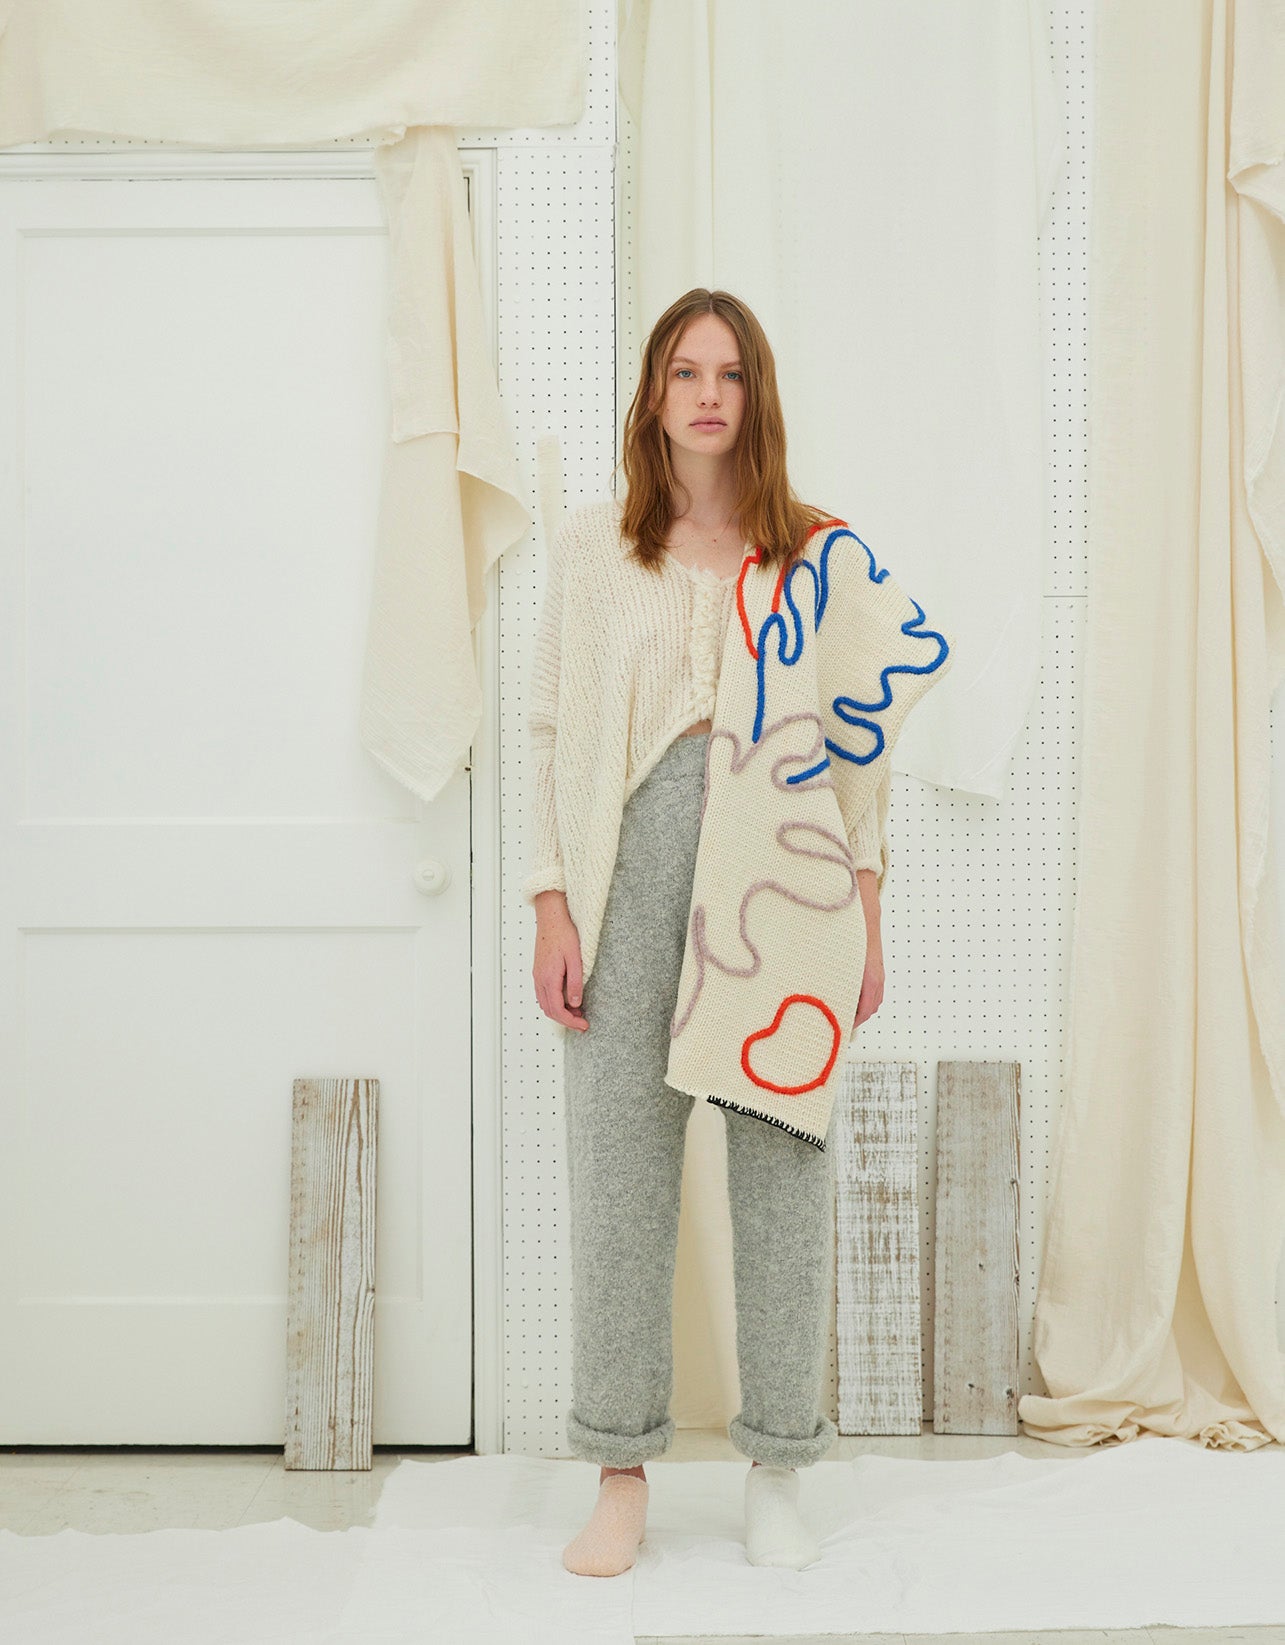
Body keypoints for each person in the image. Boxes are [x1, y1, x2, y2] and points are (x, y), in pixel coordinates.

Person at [525, 290, 888, 1577]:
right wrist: (552, 898)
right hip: (627, 879)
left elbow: (858, 755)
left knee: (782, 1172)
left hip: (780, 888)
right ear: (654, 394)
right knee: (618, 1181)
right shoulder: (590, 548)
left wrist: (865, 907)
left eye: (730, 373)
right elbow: (553, 729)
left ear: (756, 396)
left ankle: (779, 1465)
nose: (707, 394)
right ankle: (618, 1469)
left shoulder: (811, 556)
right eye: (684, 371)